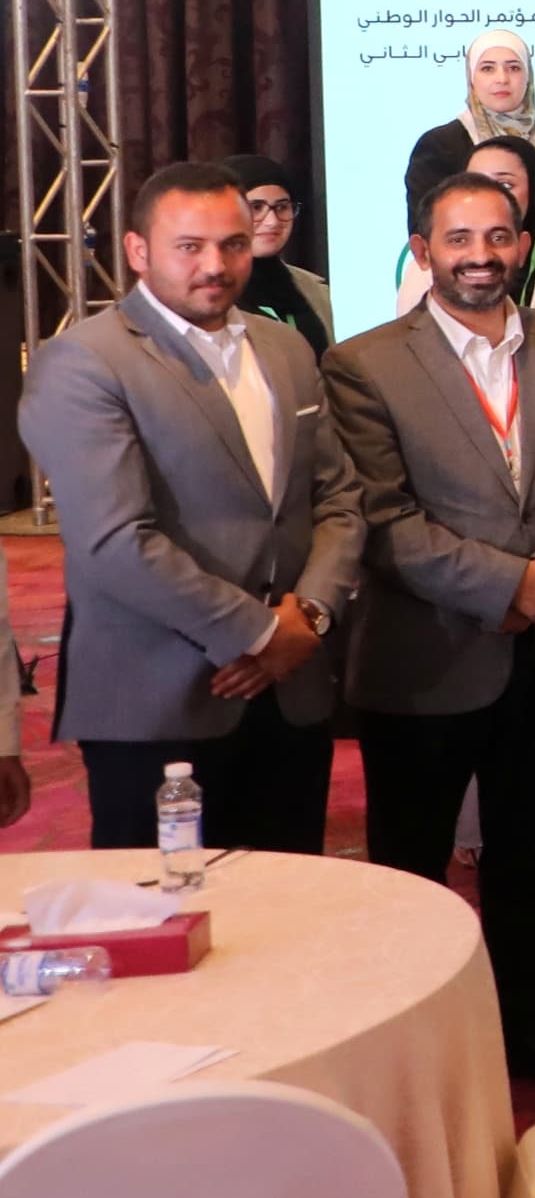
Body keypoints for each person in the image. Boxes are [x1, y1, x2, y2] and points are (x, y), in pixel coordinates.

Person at [327, 167, 535, 1076]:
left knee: (531, 856)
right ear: (423, 251)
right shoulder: (363, 364)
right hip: (425, 656)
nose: (480, 255)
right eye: (459, 239)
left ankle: (521, 1026)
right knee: (411, 866)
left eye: (498, 236)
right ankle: (413, 1040)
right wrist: (507, 584)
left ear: (524, 245)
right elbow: (381, 519)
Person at [21, 161, 361, 853]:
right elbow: (115, 540)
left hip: (291, 691)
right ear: (138, 250)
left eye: (233, 244)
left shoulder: (286, 347)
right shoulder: (83, 363)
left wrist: (309, 617)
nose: (216, 265)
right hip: (157, 702)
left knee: (294, 902)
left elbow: (338, 499)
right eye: (189, 246)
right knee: (165, 909)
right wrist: (260, 634)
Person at [404, 134, 535, 334]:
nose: (489, 196)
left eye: (505, 185)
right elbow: (409, 343)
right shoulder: (431, 264)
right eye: (476, 183)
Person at [404, 27, 535, 196]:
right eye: (487, 69)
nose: (502, 79)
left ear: (528, 76)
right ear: (471, 78)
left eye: (514, 68)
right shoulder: (439, 146)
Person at [221, 156, 333, 354]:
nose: (272, 221)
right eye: (256, 207)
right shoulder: (209, 287)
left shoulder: (314, 288)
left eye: (282, 207)